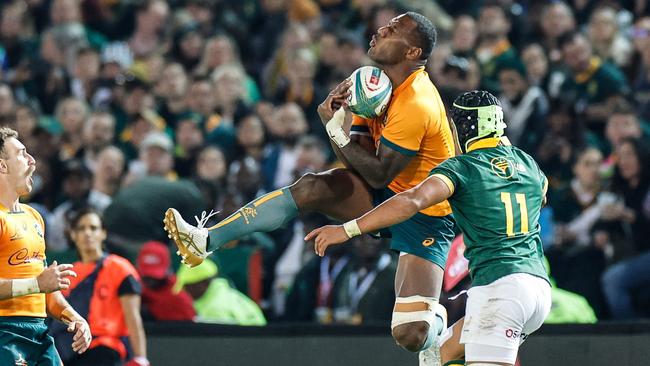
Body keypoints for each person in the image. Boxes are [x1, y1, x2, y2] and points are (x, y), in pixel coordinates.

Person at [164, 11, 453, 362]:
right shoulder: (369, 82)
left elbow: (376, 174)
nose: (380, 29)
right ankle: (206, 240)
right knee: (312, 187)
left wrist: (334, 129)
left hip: (426, 211)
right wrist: (335, 126)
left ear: (412, 52)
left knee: (410, 335)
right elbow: (358, 160)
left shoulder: (417, 101)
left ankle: (441, 317)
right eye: (385, 25)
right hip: (388, 189)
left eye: (393, 29)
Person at [305, 91, 551, 366]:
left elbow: (411, 200)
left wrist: (348, 229)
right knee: (433, 358)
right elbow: (540, 197)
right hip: (537, 289)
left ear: (460, 128)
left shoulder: (462, 168)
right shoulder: (529, 165)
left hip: (499, 289)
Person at [0, 126, 91, 365]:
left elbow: (46, 291)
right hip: (4, 332)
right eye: (21, 154)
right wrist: (35, 284)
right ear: (2, 165)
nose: (32, 161)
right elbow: (38, 284)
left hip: (38, 331)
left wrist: (74, 317)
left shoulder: (34, 217)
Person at [52, 207, 149, 366]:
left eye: (93, 228)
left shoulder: (120, 268)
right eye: (81, 228)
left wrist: (140, 358)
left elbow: (133, 317)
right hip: (66, 351)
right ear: (73, 235)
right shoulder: (67, 272)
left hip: (104, 348)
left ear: (103, 233)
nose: (87, 233)